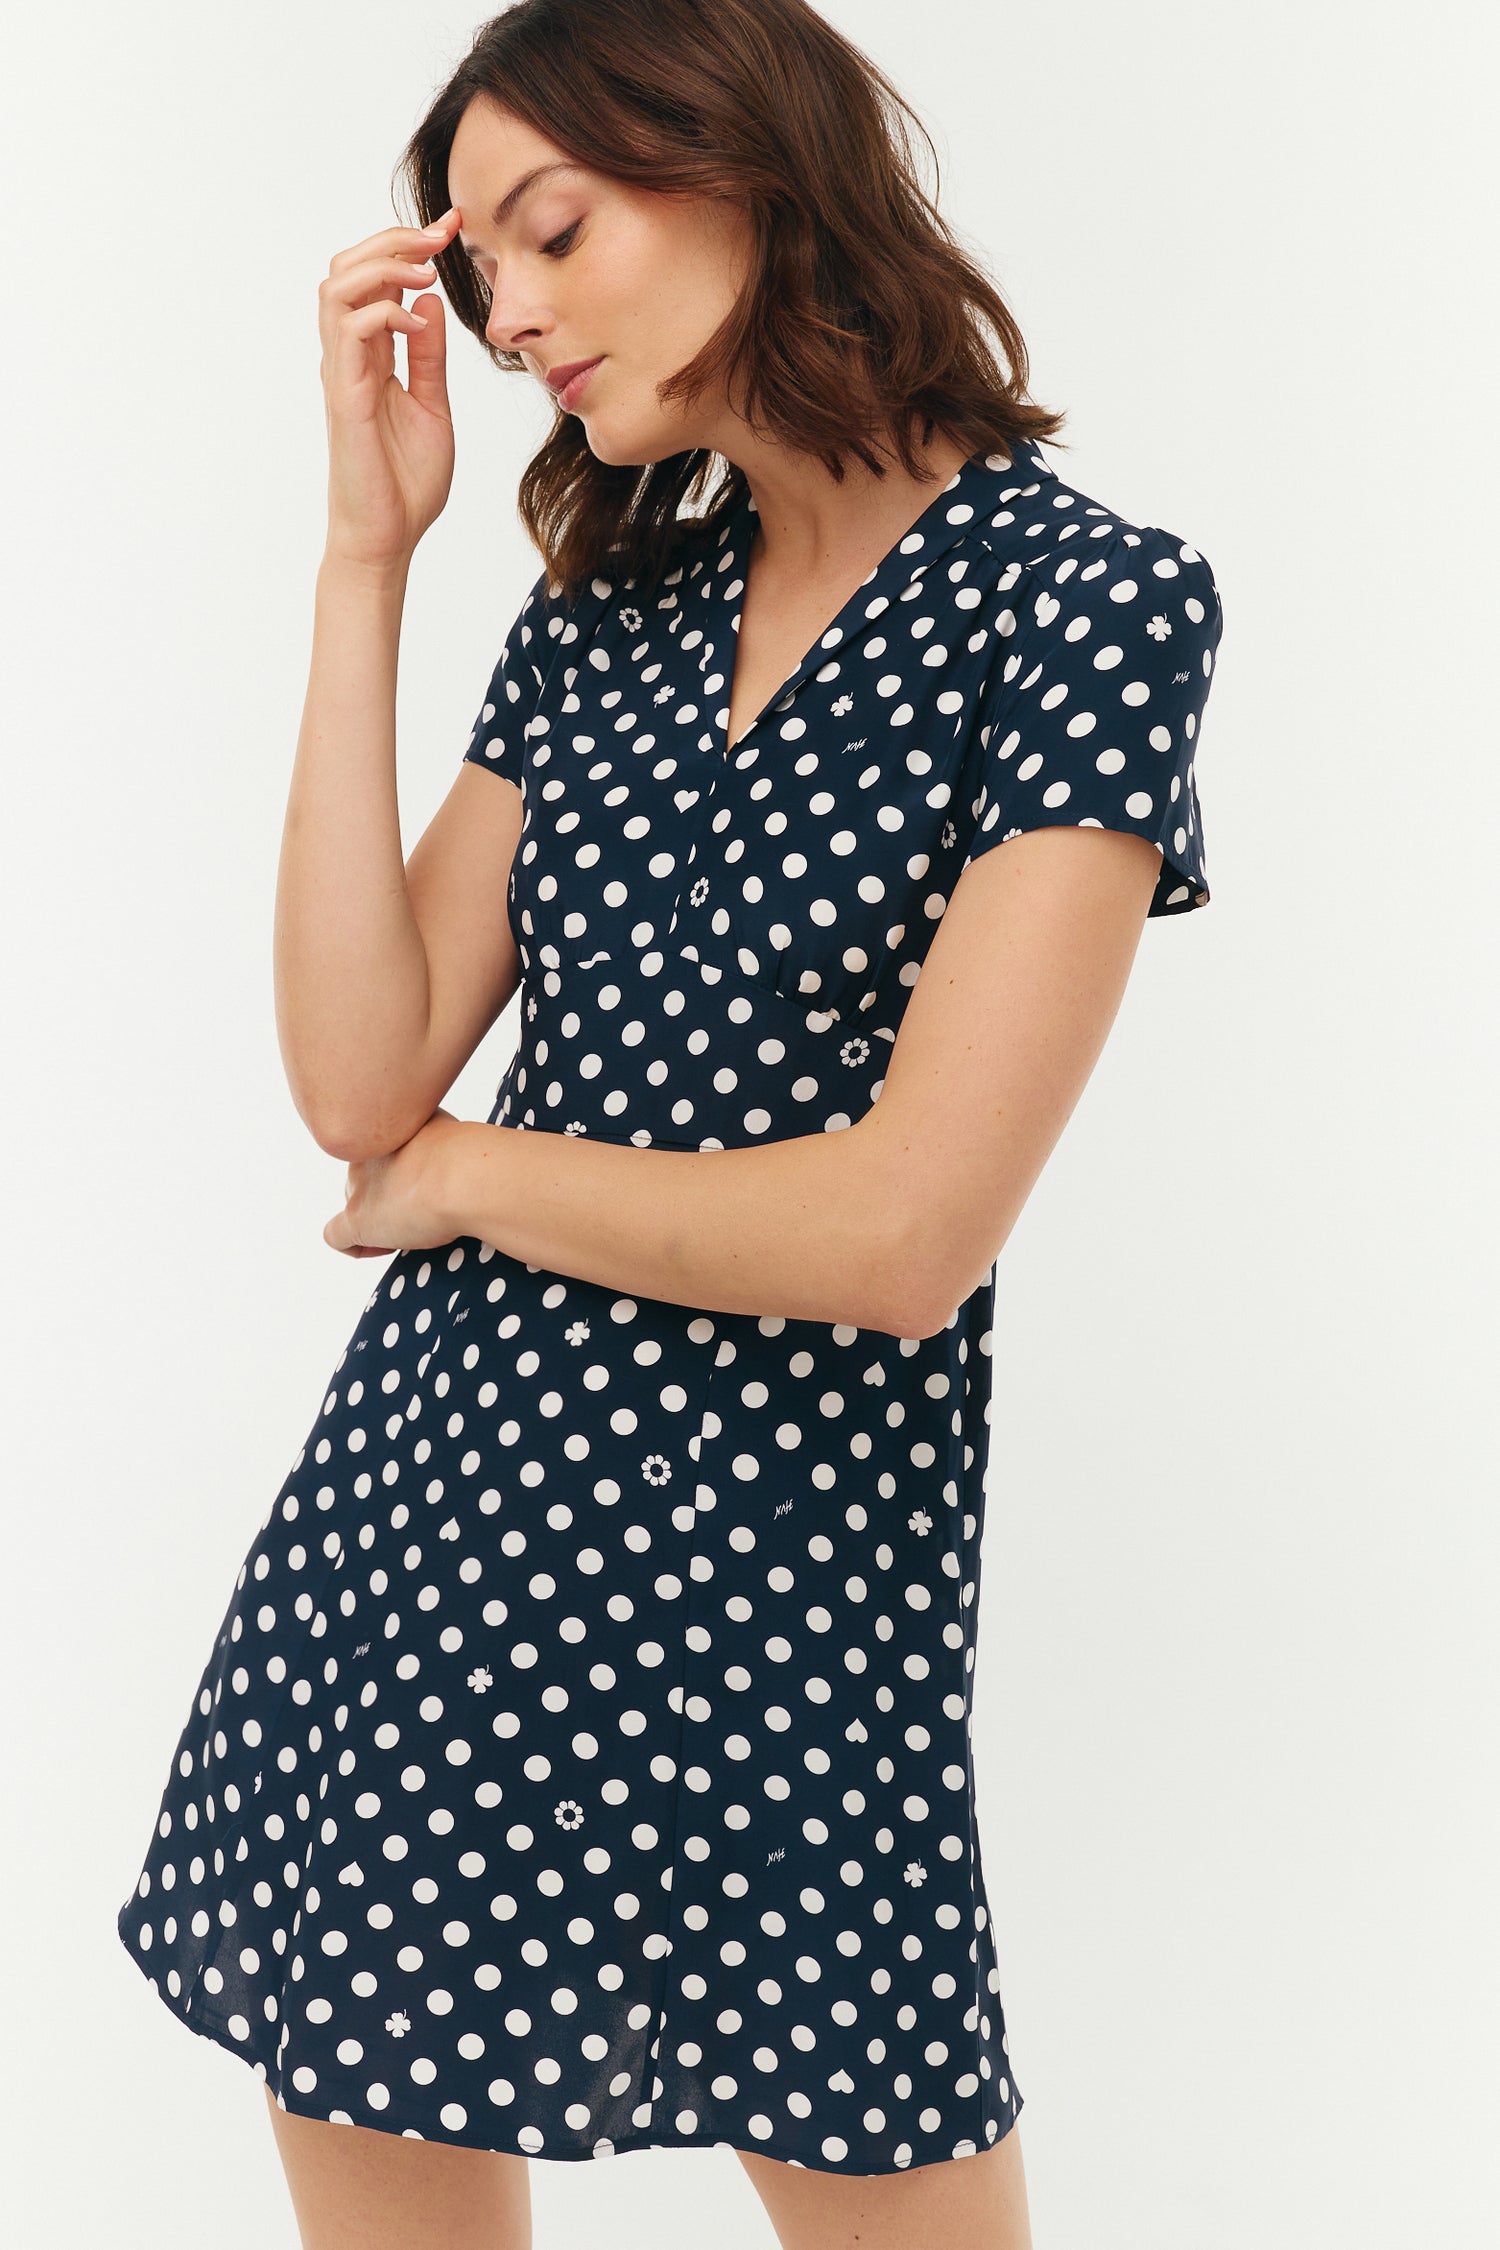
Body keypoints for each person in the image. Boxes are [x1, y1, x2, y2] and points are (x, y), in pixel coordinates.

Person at [116, 3, 1223, 2245]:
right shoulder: (616, 604)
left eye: (552, 231)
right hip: (440, 1529)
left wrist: (461, 1180)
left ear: (746, 168)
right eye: (477, 270)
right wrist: (369, 563)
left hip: (795, 1582)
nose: (509, 312)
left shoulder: (1084, 605)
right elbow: (358, 1071)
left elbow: (903, 1231)